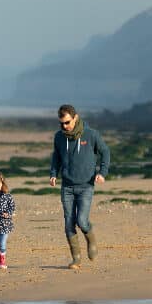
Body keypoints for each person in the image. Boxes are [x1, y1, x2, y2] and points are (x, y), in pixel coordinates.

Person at [49, 104, 110, 269]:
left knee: (82, 221)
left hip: (86, 186)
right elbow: (56, 157)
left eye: (67, 122)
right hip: (67, 187)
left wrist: (102, 173)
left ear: (75, 118)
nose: (64, 126)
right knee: (69, 223)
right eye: (61, 123)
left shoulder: (91, 135)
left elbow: (105, 152)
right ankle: (76, 258)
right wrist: (53, 173)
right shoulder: (59, 137)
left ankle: (91, 240)